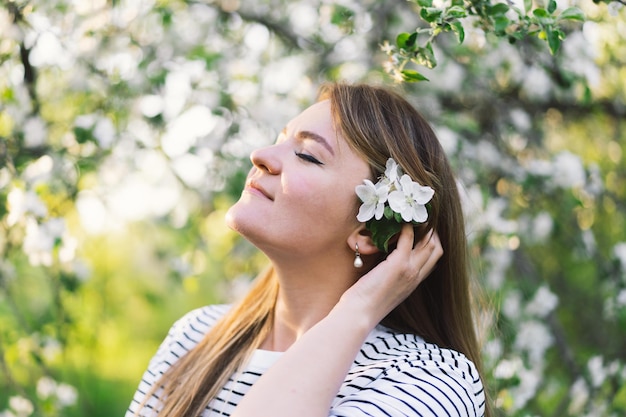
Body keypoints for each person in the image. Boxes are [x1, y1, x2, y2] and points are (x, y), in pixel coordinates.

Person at [126, 82, 489, 417]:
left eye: (307, 155)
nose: (260, 155)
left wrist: (356, 312)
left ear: (368, 230)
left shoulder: (426, 380)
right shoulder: (197, 335)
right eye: (279, 139)